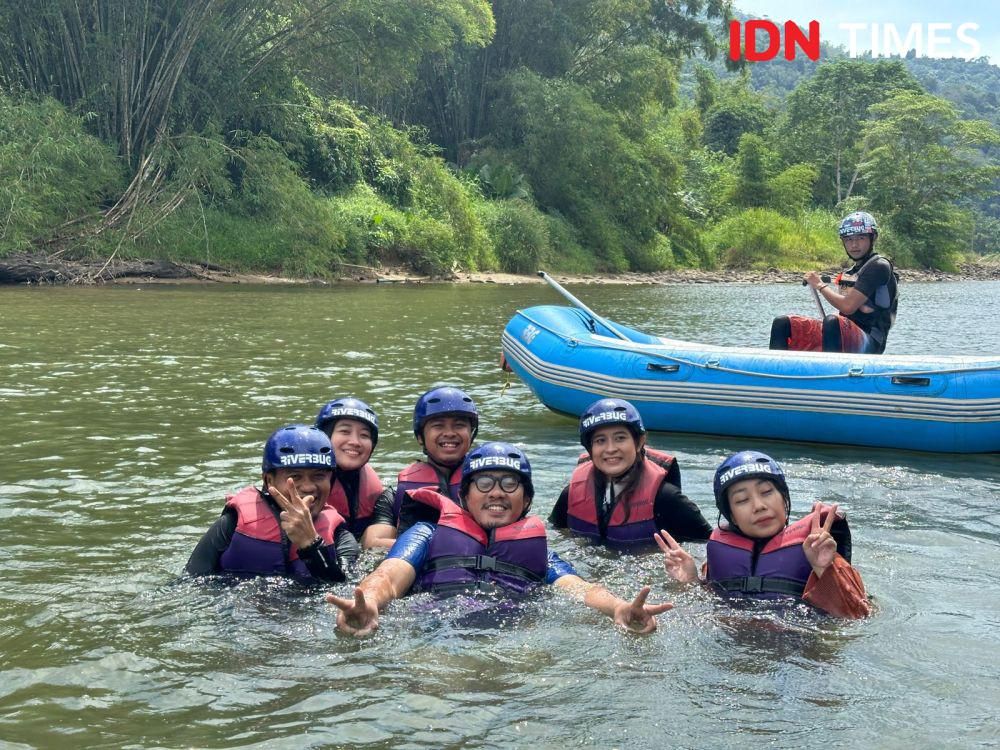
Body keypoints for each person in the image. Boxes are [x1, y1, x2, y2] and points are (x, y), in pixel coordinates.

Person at [327, 442, 672, 636]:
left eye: (510, 484)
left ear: (526, 499)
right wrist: (369, 600)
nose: (497, 493)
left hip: (514, 638)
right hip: (434, 633)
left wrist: (619, 607)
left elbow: (580, 589)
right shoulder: (427, 535)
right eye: (484, 483)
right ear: (464, 497)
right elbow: (388, 577)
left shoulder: (538, 552)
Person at [656, 450, 870, 618]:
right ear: (731, 515)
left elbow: (857, 616)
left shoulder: (819, 550)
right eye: (742, 500)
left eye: (767, 492)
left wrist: (825, 569)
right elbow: (708, 611)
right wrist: (691, 582)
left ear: (784, 498)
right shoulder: (717, 558)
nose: (758, 506)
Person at [185, 424, 358, 582]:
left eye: (319, 476)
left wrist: (310, 544)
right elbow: (189, 582)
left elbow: (343, 591)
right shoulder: (231, 525)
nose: (308, 487)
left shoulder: (341, 538)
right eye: (295, 476)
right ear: (269, 481)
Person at [549, 398, 711, 548]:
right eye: (600, 441)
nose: (611, 449)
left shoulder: (667, 499)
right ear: (590, 449)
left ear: (639, 442)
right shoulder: (571, 494)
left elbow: (711, 546)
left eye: (620, 438)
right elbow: (554, 536)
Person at [363, 385, 479, 548]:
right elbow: (372, 544)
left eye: (459, 425)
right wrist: (437, 546)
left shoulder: (489, 487)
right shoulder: (394, 496)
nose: (450, 433)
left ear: (471, 433)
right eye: (438, 426)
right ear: (420, 437)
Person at [769, 211, 899, 354]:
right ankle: (776, 371)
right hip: (843, 332)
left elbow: (848, 306)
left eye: (860, 238)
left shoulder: (879, 266)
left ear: (873, 238)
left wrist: (820, 285)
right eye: (849, 239)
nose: (854, 244)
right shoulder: (851, 272)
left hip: (870, 341)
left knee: (832, 321)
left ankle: (831, 373)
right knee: (782, 323)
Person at [314, 397, 392, 549]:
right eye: (345, 431)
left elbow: (373, 542)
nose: (355, 442)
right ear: (324, 436)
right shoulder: (302, 483)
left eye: (364, 435)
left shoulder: (377, 490)